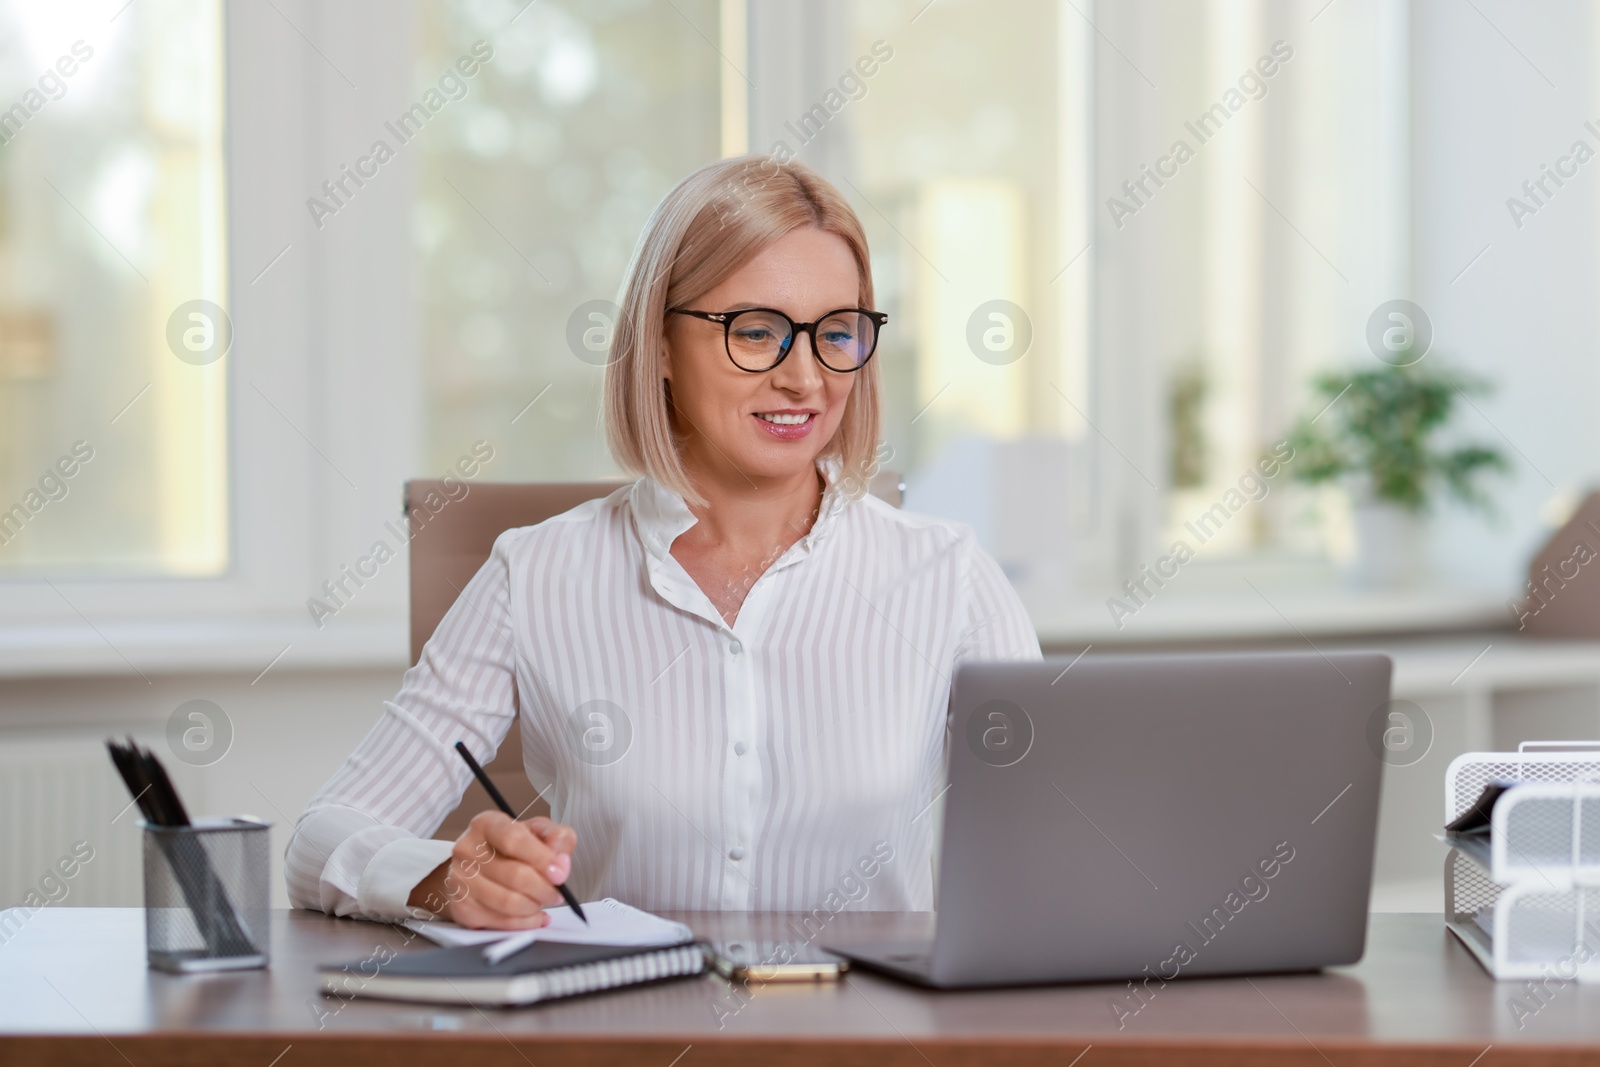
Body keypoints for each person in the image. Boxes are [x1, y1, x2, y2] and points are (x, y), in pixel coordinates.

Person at [285, 155, 1041, 930]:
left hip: (870, 1046)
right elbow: (321, 838)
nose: (805, 378)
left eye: (837, 333)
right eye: (757, 332)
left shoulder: (950, 579)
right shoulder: (537, 575)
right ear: (661, 343)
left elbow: (1062, 855)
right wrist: (443, 875)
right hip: (626, 1035)